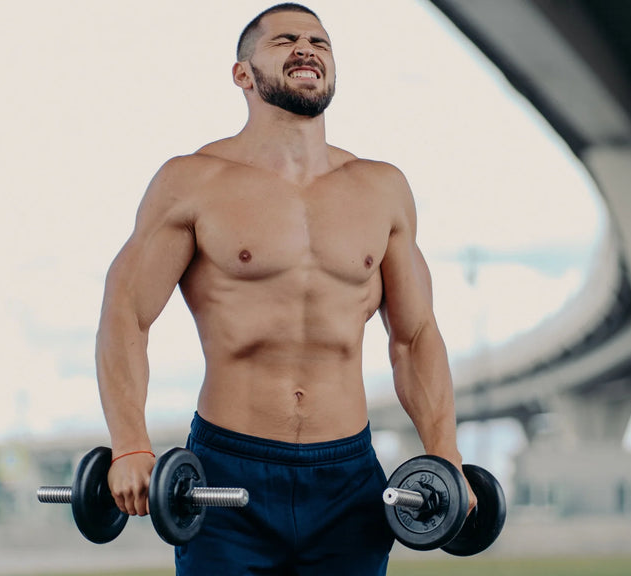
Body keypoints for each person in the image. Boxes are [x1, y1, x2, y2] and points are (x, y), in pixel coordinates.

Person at [95, 3, 475, 574]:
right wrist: (130, 445)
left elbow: (414, 337)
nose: (307, 48)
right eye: (285, 40)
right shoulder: (192, 181)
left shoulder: (381, 189)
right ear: (242, 74)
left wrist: (443, 452)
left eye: (319, 42)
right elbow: (125, 315)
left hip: (348, 476)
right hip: (227, 472)